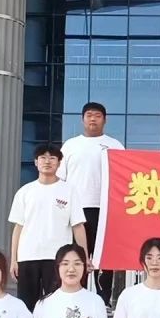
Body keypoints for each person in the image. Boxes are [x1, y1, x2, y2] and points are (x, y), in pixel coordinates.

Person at [60, 102, 124, 305]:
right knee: (77, 255)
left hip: (105, 209)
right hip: (76, 210)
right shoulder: (70, 145)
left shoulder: (115, 145)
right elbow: (61, 179)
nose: (93, 119)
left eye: (97, 115)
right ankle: (77, 297)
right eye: (89, 115)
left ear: (104, 120)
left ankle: (103, 300)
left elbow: (124, 178)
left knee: (103, 257)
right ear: (82, 119)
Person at [9, 144, 87, 310]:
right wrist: (14, 259)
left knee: (57, 304)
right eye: (43, 158)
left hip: (57, 257)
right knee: (27, 305)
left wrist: (84, 257)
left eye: (52, 158)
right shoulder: (25, 192)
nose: (47, 161)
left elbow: (78, 226)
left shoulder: (69, 190)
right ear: (36, 162)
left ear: (59, 163)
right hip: (28, 256)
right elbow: (18, 227)